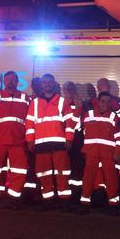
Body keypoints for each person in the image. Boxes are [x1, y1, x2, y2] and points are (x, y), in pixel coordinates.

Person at [25, 74, 75, 212]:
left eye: (49, 82)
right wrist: (30, 140)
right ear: (41, 85)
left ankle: (64, 201)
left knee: (62, 173)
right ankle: (48, 201)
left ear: (54, 84)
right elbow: (29, 123)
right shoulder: (34, 103)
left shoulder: (62, 101)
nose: (47, 84)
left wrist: (69, 138)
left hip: (59, 143)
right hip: (41, 144)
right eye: (44, 82)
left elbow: (69, 123)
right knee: (44, 174)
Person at [0, 71, 30, 211]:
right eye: (7, 79)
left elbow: (30, 120)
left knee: (19, 171)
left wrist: (28, 139)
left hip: (18, 141)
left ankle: (14, 199)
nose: (10, 82)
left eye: (13, 79)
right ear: (4, 82)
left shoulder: (25, 98)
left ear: (17, 81)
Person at [76, 92, 120, 215]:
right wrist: (78, 108)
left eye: (108, 101)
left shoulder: (114, 117)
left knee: (111, 179)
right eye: (103, 101)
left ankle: (113, 204)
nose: (105, 104)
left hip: (108, 153)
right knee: (88, 178)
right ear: (98, 101)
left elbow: (119, 136)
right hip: (91, 152)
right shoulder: (88, 115)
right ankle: (85, 203)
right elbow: (76, 125)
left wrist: (117, 152)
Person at [62, 81, 85, 193]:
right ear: (63, 91)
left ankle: (76, 193)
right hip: (64, 137)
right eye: (67, 89)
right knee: (65, 166)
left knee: (77, 166)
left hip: (78, 137)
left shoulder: (81, 103)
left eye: (72, 89)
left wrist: (80, 106)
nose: (70, 92)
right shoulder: (60, 104)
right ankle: (66, 192)